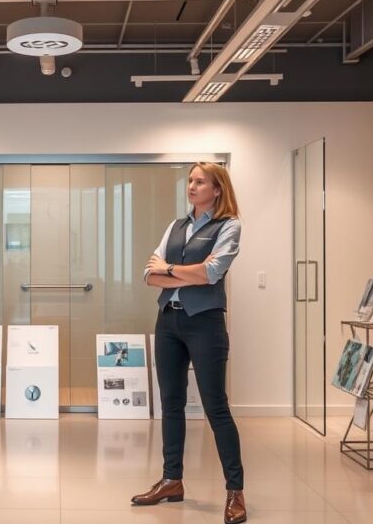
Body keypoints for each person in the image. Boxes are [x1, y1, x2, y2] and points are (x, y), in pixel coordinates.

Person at [130, 162, 247, 524]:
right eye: (190, 180)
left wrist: (169, 270)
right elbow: (149, 276)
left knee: (216, 407)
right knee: (172, 403)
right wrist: (176, 273)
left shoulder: (229, 226)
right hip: (169, 322)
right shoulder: (176, 226)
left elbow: (212, 272)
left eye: (200, 181)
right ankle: (172, 480)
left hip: (205, 325)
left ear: (217, 189)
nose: (191, 186)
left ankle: (235, 492)